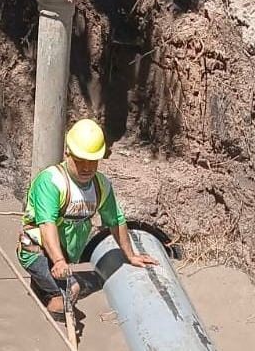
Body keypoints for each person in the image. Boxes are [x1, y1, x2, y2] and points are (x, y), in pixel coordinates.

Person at [18, 118, 157, 319]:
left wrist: (131, 255)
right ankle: (51, 313)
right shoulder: (51, 182)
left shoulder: (101, 186)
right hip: (37, 251)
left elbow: (116, 221)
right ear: (67, 153)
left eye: (92, 161)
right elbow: (47, 226)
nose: (86, 167)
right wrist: (58, 261)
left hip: (64, 254)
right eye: (80, 160)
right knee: (71, 291)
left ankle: (45, 286)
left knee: (65, 282)